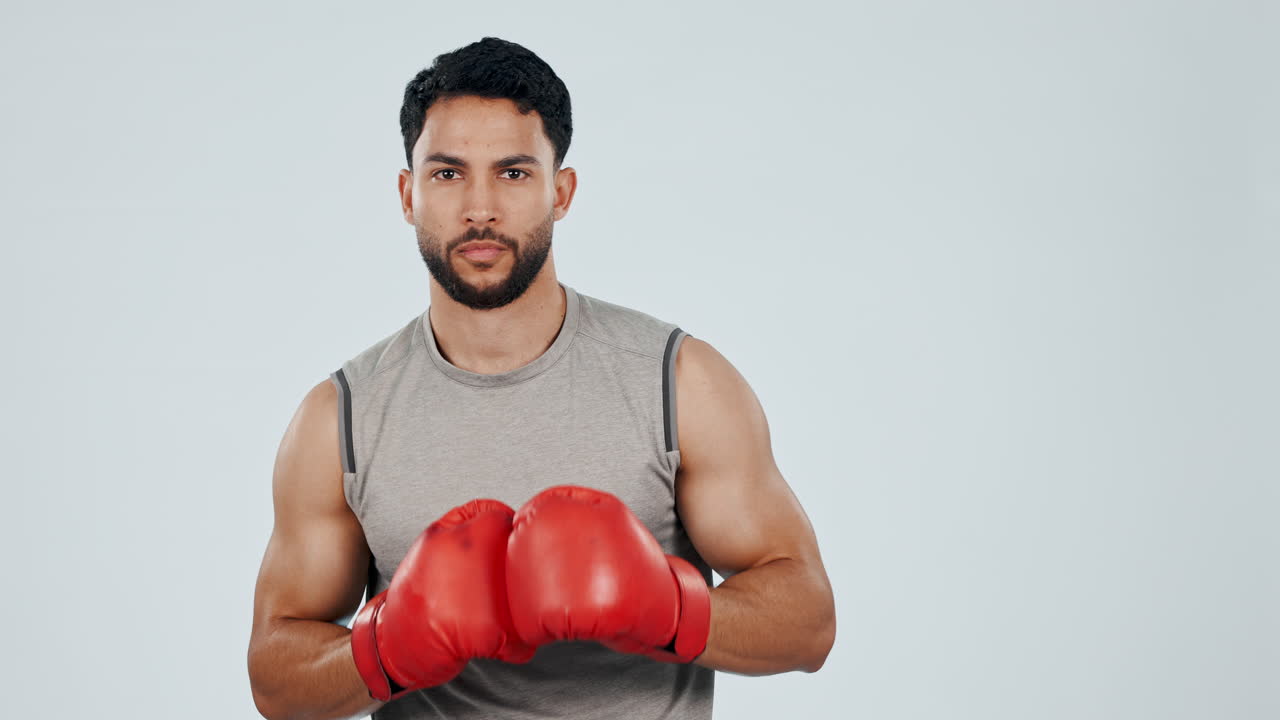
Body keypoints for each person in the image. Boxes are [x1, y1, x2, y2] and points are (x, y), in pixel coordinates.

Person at [246, 36, 835, 720]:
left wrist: (672, 610)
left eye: (514, 173)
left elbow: (808, 621)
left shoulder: (679, 383)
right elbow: (275, 679)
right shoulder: (340, 419)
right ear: (408, 195)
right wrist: (383, 650)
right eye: (447, 174)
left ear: (562, 191)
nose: (480, 209)